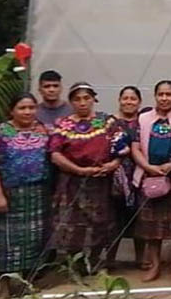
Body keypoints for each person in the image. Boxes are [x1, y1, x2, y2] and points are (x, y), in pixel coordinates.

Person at [48, 82, 124, 270]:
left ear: (93, 99)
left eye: (86, 98)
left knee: (101, 222)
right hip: (72, 183)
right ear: (71, 102)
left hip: (101, 182)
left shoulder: (107, 121)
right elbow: (55, 154)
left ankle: (97, 263)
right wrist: (78, 170)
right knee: (73, 224)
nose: (82, 103)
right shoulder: (63, 124)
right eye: (77, 99)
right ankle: (75, 265)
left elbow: (121, 148)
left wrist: (113, 164)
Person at [0, 93, 51, 299]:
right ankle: (3, 287)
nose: (27, 112)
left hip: (37, 194)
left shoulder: (44, 130)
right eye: (22, 108)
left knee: (33, 241)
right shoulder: (0, 132)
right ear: (11, 110)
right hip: (9, 194)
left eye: (31, 107)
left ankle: (25, 284)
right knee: (5, 243)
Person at [132, 80, 171, 282]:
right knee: (151, 227)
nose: (164, 98)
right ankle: (154, 266)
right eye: (161, 94)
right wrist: (148, 167)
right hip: (150, 177)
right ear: (155, 96)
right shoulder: (143, 118)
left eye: (168, 94)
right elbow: (135, 147)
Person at [107, 85, 145, 269]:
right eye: (125, 98)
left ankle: (141, 259)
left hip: (140, 176)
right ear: (119, 100)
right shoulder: (110, 122)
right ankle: (110, 259)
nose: (129, 102)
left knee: (140, 217)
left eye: (133, 98)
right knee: (114, 219)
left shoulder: (144, 121)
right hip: (115, 177)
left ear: (139, 102)